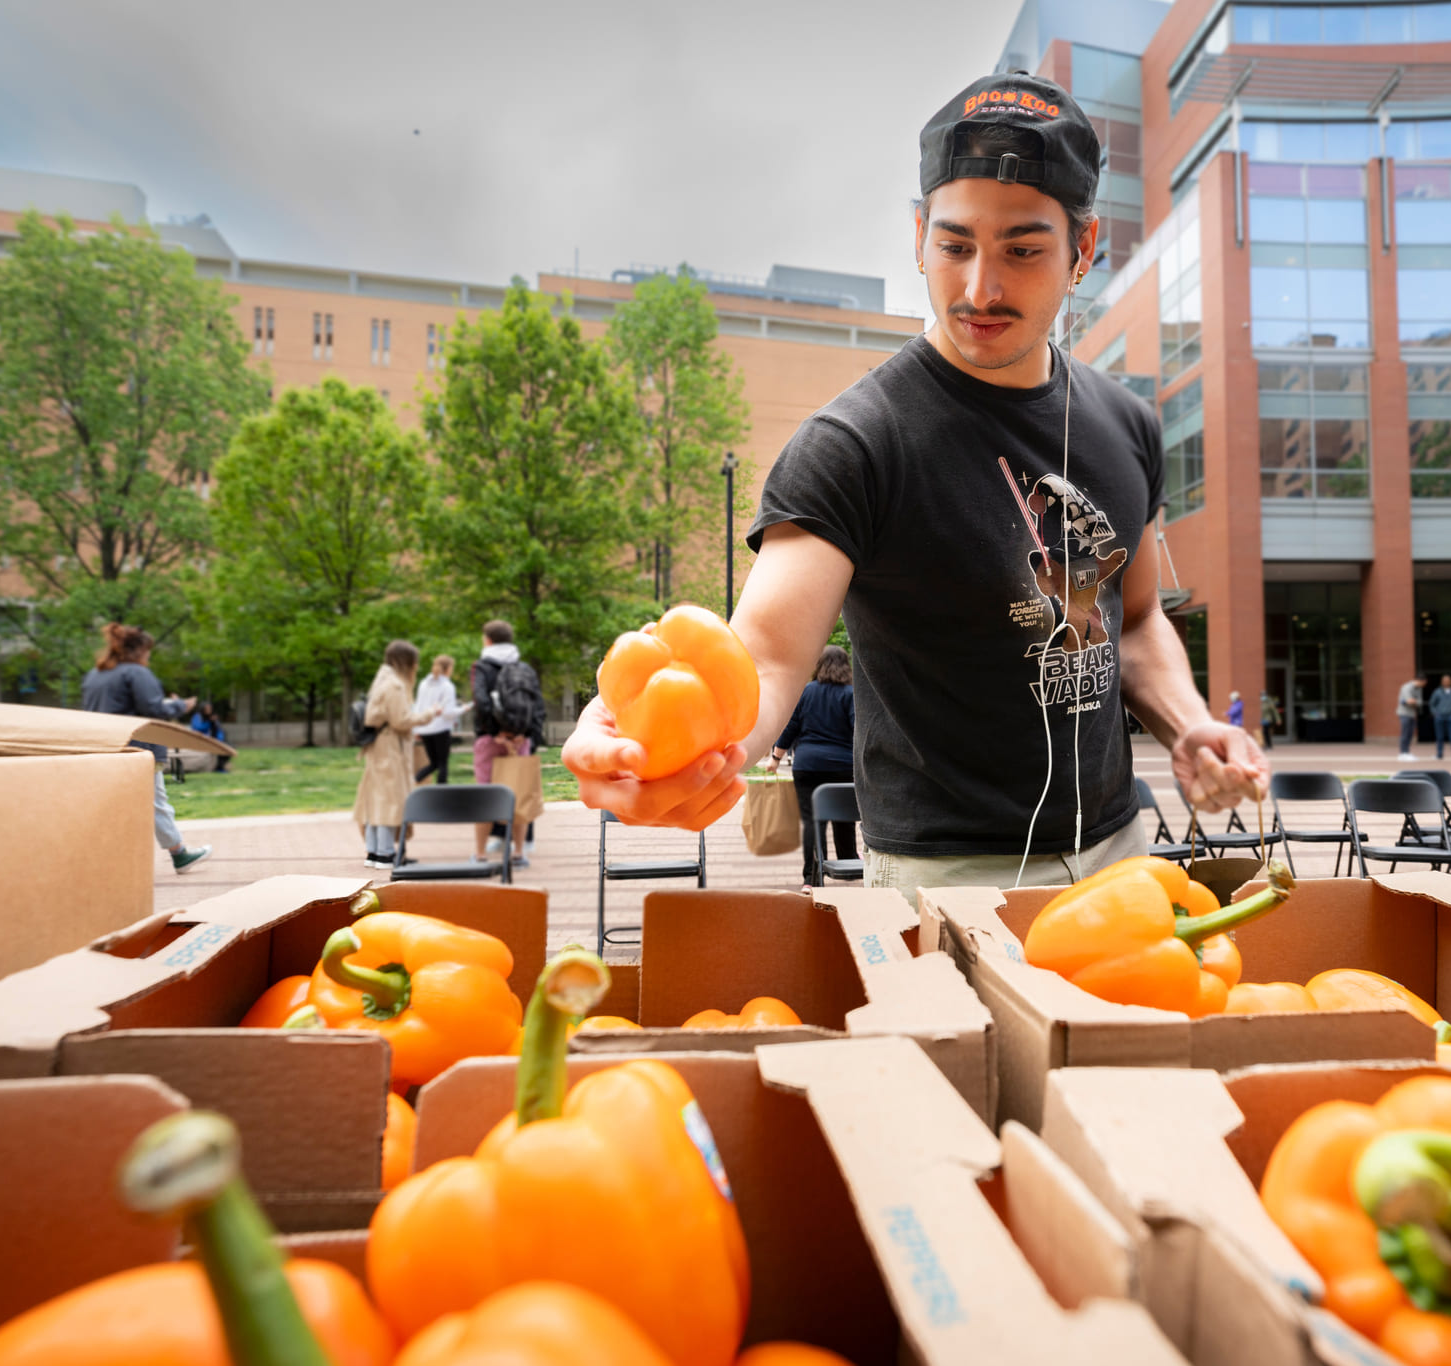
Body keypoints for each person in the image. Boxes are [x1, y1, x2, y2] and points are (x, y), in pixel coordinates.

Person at [563, 73, 1268, 909]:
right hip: (945, 878)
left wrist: (1188, 725)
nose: (980, 290)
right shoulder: (854, 444)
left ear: (1081, 252)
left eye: (1023, 249)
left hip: (1118, 849)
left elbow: (1139, 619)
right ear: (918, 235)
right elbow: (768, 654)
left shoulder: (1127, 427)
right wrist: (673, 744)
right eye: (955, 244)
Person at [80, 622, 210, 873]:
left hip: (102, 746)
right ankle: (179, 854)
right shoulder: (136, 673)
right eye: (148, 651)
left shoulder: (96, 675)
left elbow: (114, 706)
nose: (149, 656)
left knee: (109, 803)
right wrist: (179, 706)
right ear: (140, 651)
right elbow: (153, 709)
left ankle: (99, 856)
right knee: (155, 801)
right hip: (136, 748)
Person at [767, 645, 857, 888]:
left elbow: (791, 727)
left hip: (807, 766)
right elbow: (857, 731)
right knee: (844, 818)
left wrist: (775, 758)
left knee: (812, 821)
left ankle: (812, 878)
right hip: (842, 766)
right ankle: (849, 866)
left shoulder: (807, 691)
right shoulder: (850, 694)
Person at [355, 639, 440, 869]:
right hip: (390, 747)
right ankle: (386, 854)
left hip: (378, 746)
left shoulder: (381, 679)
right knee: (390, 800)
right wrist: (429, 714)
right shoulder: (394, 685)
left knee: (375, 798)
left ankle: (373, 852)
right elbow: (401, 720)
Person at [470, 620, 546, 868]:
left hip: (491, 740)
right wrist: (528, 735)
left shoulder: (481, 667)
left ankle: (480, 854)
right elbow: (537, 704)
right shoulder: (523, 668)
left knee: (484, 796)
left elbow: (481, 702)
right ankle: (518, 854)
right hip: (520, 740)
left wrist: (494, 733)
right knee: (518, 794)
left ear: (488, 640)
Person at [414, 655, 462, 785]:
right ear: (449, 668)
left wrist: (416, 728)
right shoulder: (448, 686)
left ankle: (412, 781)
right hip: (441, 728)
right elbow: (448, 712)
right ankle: (442, 792)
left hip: (425, 728)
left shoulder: (423, 684)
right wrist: (463, 709)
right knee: (442, 764)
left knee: (434, 763)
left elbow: (418, 706)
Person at [190, 701, 230, 774]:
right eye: (207, 708)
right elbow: (197, 728)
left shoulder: (213, 717)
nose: (209, 710)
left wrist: (219, 740)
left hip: (215, 740)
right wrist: (209, 722)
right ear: (202, 709)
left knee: (227, 747)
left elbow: (219, 729)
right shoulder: (197, 716)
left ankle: (220, 767)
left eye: (210, 708)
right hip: (202, 740)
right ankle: (217, 767)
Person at [1396, 673, 1424, 762]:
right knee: (1405, 733)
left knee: (1410, 734)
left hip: (1412, 714)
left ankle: (1407, 752)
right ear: (1419, 681)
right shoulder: (1406, 687)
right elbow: (1406, 701)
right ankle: (1402, 753)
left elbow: (1419, 702)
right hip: (1404, 713)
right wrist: (1411, 702)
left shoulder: (1418, 689)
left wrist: (1412, 702)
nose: (1423, 685)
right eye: (1423, 683)